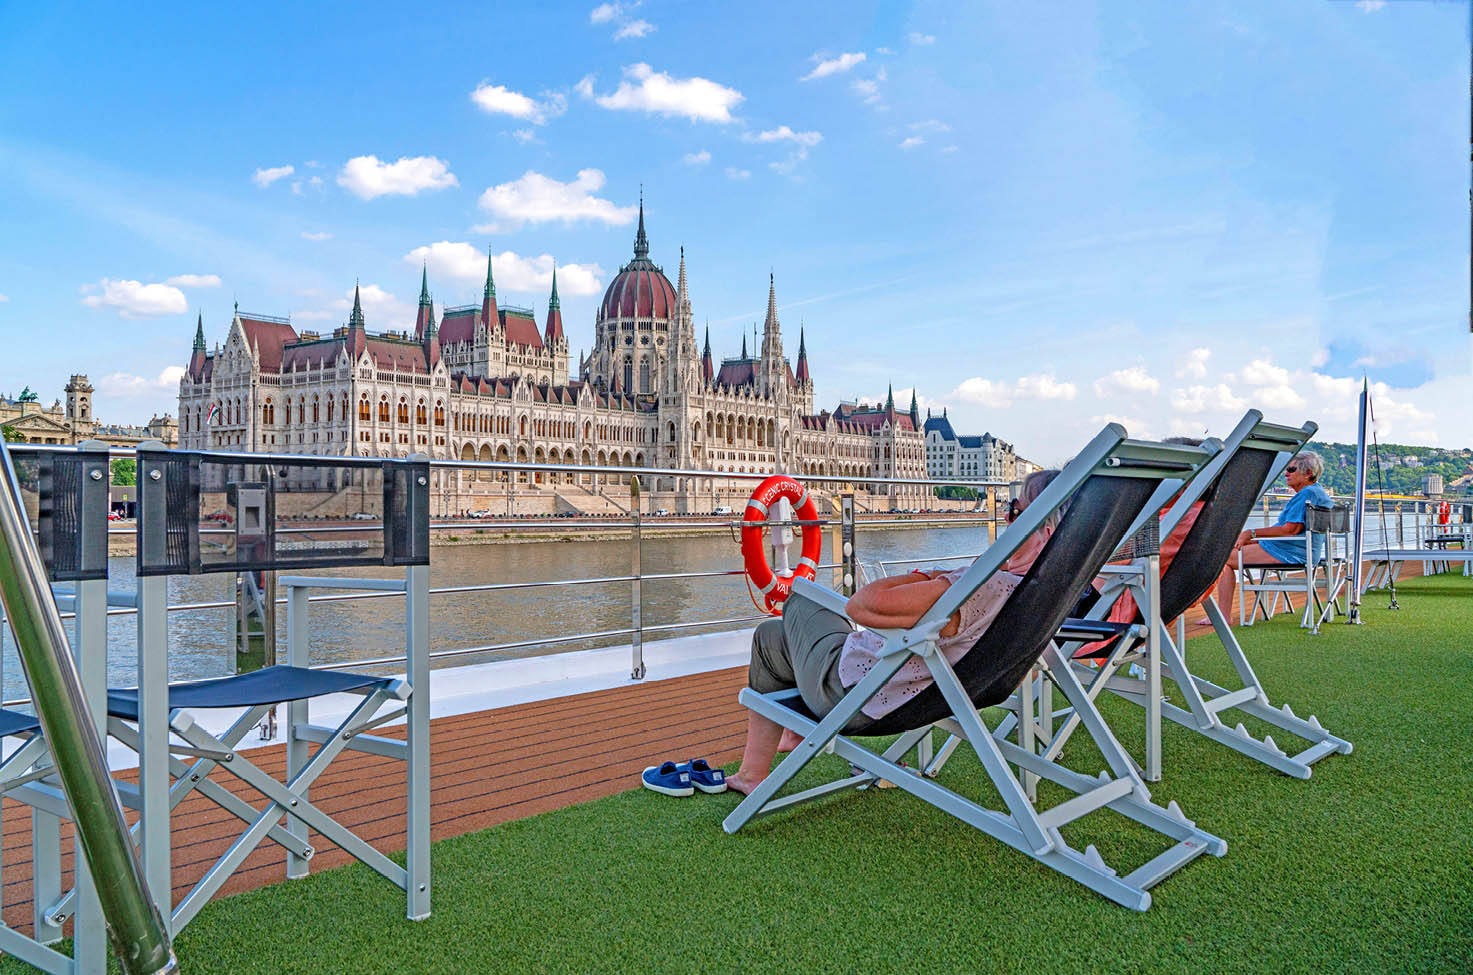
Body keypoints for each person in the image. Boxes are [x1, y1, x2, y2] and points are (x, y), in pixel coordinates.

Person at [726, 469, 1061, 796]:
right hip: (924, 693)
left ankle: (774, 751)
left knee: (800, 597)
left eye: (1015, 513)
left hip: (855, 693)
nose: (1006, 521)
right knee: (772, 637)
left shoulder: (987, 587)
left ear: (1044, 531)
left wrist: (930, 576)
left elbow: (862, 606)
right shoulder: (1043, 594)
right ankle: (756, 769)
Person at [1211, 450, 1331, 622]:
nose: (1286, 473)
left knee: (1222, 560)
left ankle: (1222, 617)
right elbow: (1291, 530)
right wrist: (1254, 539)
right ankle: (1222, 614)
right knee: (1232, 548)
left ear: (1308, 473)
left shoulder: (1307, 494)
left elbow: (1291, 530)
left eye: (1291, 469)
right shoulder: (1317, 492)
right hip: (1299, 549)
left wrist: (1251, 533)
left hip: (1290, 552)